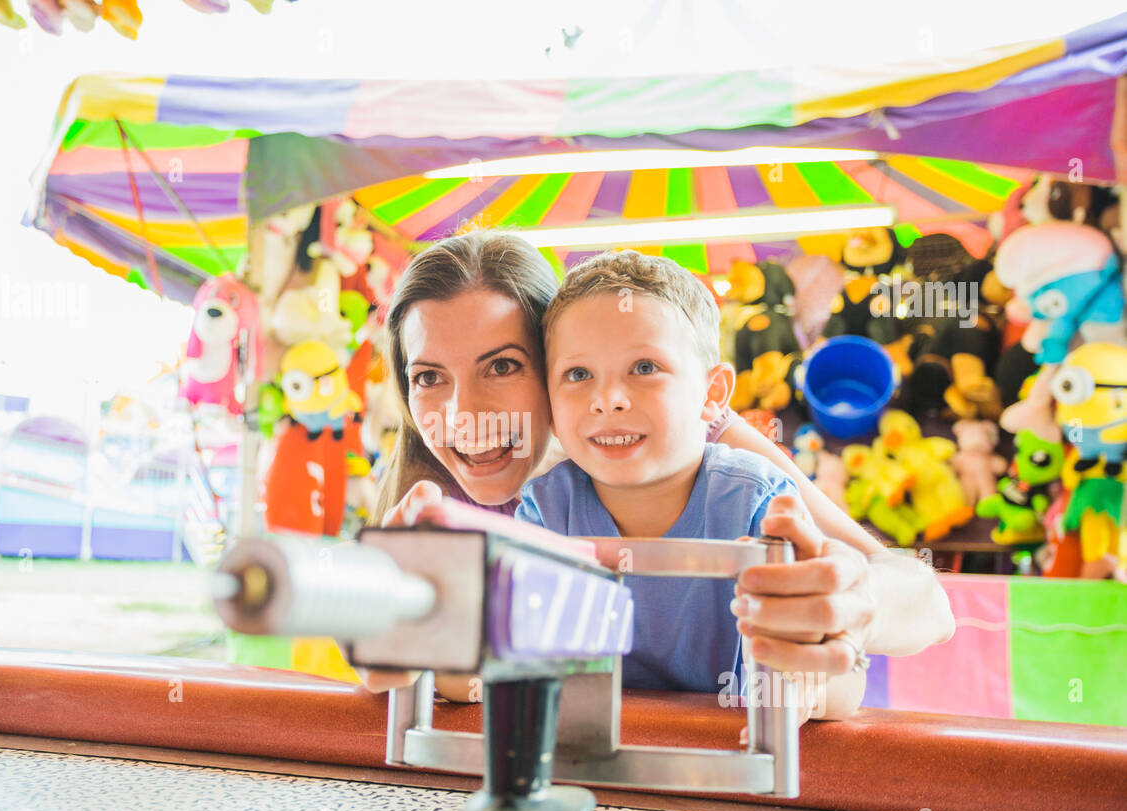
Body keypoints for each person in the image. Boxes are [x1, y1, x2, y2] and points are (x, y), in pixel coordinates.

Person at [366, 231, 953, 714]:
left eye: (501, 366)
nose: (463, 414)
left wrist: (846, 607)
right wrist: (395, 636)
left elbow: (927, 605)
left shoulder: (711, 446)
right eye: (428, 377)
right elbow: (415, 676)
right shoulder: (439, 500)